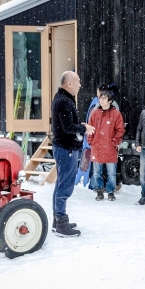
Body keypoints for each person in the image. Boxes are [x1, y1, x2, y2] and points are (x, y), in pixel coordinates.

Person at [51, 71, 95, 237]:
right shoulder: (64, 101)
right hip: (66, 149)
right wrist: (84, 128)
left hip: (64, 147)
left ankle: (58, 220)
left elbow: (68, 124)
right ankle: (61, 222)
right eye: (77, 81)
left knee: (61, 184)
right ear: (69, 83)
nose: (80, 85)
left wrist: (81, 125)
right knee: (65, 185)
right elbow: (68, 128)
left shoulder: (63, 99)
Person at [87, 90, 125, 201]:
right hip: (97, 147)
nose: (101, 100)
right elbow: (90, 128)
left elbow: (120, 130)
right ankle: (99, 191)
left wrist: (114, 142)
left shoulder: (116, 114)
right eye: (101, 98)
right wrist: (91, 141)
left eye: (104, 98)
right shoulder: (94, 113)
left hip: (110, 148)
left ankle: (110, 191)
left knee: (111, 173)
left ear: (110, 101)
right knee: (97, 173)